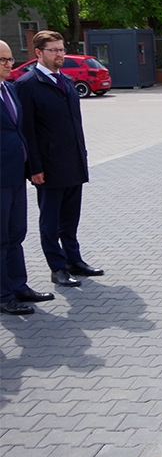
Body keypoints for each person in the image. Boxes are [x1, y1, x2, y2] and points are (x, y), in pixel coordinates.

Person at [16, 30, 104, 287]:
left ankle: (73, 260)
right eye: (53, 50)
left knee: (70, 218)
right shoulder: (27, 85)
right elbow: (27, 131)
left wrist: (82, 156)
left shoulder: (65, 81)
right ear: (38, 53)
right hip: (49, 167)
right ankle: (57, 267)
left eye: (61, 49)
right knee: (50, 221)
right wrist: (35, 167)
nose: (59, 55)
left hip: (73, 162)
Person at [1, 40, 55, 315]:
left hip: (14, 174)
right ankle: (3, 295)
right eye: (4, 60)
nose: (10, 64)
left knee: (15, 234)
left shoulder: (8, 89)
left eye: (10, 59)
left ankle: (18, 286)